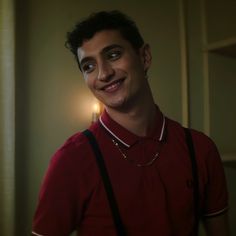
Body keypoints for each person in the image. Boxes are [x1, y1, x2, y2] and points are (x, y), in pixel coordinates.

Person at [32, 10, 229, 236]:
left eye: (113, 54)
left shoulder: (201, 149)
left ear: (144, 57)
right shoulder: (71, 160)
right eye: (89, 66)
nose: (103, 73)